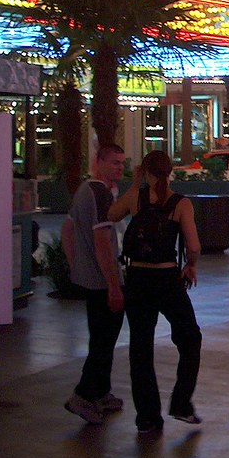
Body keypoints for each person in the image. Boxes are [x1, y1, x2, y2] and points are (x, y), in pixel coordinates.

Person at [108, 150, 203, 434]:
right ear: (170, 171)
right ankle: (181, 403)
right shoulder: (180, 203)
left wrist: (135, 184)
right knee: (189, 337)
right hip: (166, 278)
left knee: (140, 347)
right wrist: (191, 266)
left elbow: (111, 215)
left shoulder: (135, 198)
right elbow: (194, 246)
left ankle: (148, 417)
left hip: (137, 278)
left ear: (145, 171)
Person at [62, 144, 127, 425]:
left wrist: (76, 264)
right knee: (103, 339)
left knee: (103, 337)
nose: (119, 168)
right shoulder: (99, 193)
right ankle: (84, 395)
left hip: (91, 278)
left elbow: (68, 229)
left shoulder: (84, 191)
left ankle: (100, 391)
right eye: (114, 163)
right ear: (97, 162)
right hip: (103, 282)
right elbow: (102, 241)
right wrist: (113, 285)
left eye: (122, 163)